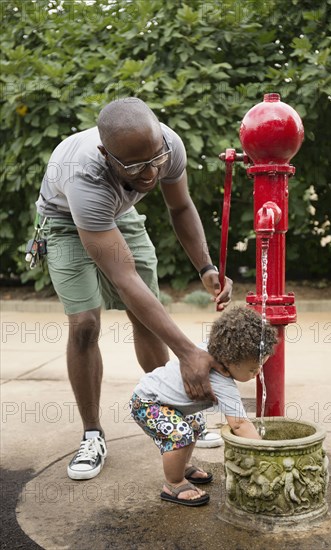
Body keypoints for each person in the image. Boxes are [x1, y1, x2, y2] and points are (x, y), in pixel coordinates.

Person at [35, 97, 233, 480]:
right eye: (134, 166)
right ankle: (92, 433)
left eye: (154, 159)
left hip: (120, 216)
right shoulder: (84, 175)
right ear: (105, 154)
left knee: (147, 318)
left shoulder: (168, 146)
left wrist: (206, 267)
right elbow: (125, 279)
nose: (149, 174)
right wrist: (190, 353)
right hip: (64, 220)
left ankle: (174, 414)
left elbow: (180, 207)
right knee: (85, 324)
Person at [129, 306, 278, 506]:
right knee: (180, 434)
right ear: (229, 360)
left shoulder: (217, 347)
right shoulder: (222, 380)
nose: (257, 371)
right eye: (253, 368)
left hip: (164, 401)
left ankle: (182, 466)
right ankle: (173, 483)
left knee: (196, 424)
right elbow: (240, 425)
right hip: (147, 403)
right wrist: (268, 453)